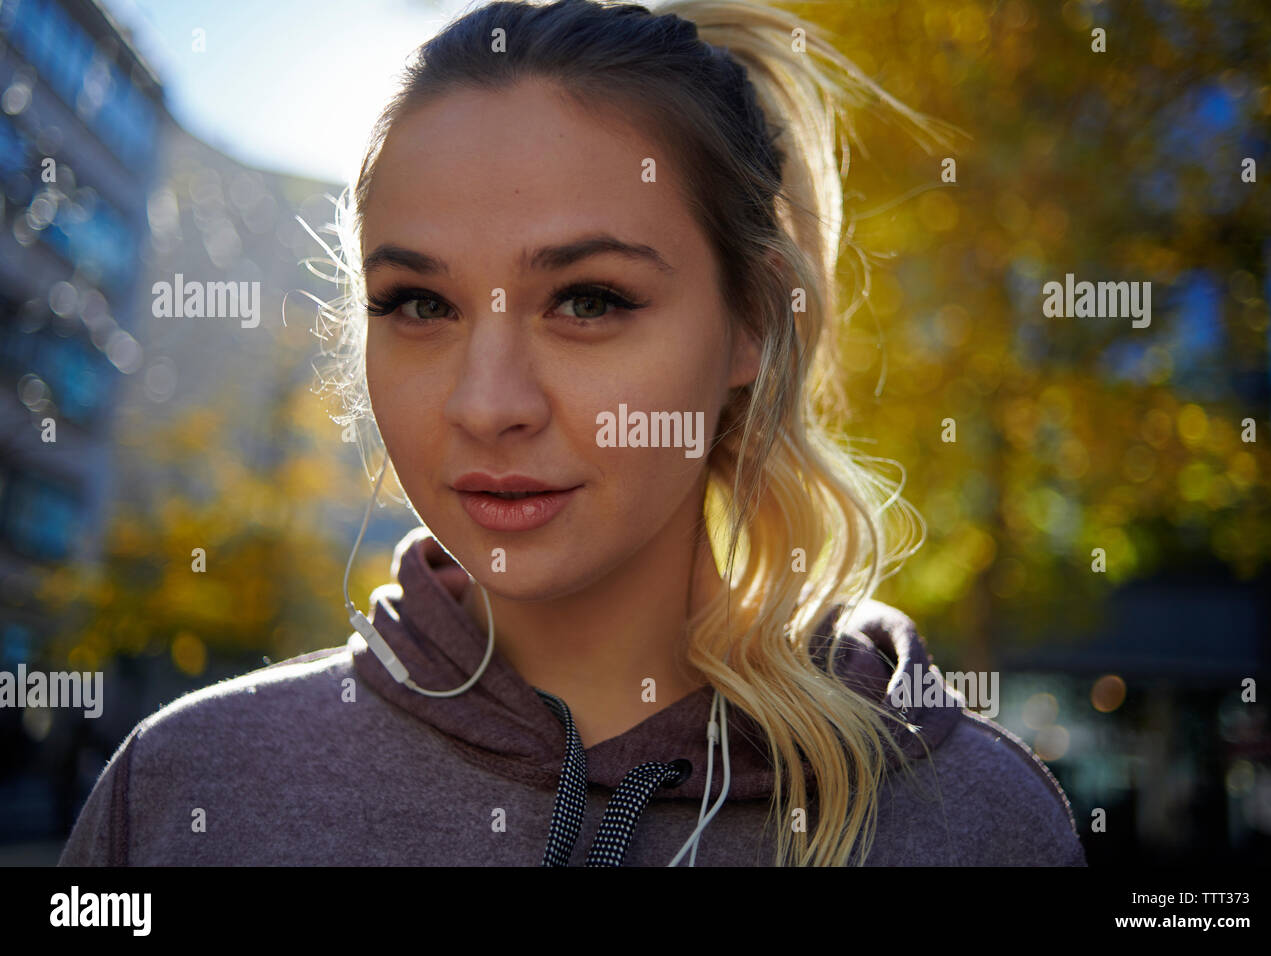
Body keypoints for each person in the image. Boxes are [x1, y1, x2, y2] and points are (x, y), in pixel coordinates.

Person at [59, 0, 1085, 866]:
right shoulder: (185, 791)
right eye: (420, 304)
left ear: (753, 325)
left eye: (589, 300)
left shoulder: (975, 822)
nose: (485, 400)